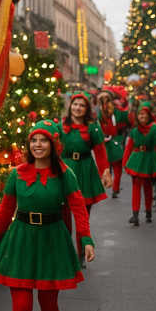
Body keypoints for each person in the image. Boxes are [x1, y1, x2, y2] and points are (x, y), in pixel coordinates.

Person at [0, 120, 95, 311]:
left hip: (52, 241)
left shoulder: (66, 174)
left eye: (43, 140)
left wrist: (86, 239)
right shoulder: (17, 174)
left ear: (53, 145)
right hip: (21, 240)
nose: (37, 145)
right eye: (34, 140)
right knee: (22, 307)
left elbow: (78, 207)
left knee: (48, 303)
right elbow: (5, 209)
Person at [57, 93, 110, 265]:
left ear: (86, 109)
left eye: (82, 105)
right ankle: (66, 252)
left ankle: (81, 253)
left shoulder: (92, 127)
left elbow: (100, 151)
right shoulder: (61, 126)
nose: (77, 108)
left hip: (86, 171)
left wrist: (105, 171)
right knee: (63, 215)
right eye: (75, 104)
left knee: (82, 215)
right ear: (70, 106)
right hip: (65, 171)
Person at [123, 101, 156, 226]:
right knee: (136, 188)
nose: (142, 116)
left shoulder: (154, 129)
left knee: (148, 187)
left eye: (144, 114)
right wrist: (125, 162)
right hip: (136, 160)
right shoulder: (135, 130)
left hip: (149, 160)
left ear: (149, 116)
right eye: (139, 114)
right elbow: (129, 147)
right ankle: (135, 215)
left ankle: (148, 212)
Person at [97, 89, 129, 197]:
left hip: (106, 141)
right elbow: (125, 120)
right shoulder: (116, 111)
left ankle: (107, 187)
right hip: (114, 141)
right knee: (116, 168)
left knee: (107, 166)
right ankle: (114, 188)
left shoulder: (100, 113)